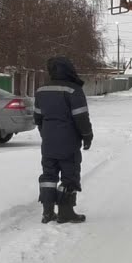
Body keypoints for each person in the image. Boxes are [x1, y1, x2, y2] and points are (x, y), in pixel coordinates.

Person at [34, 56, 94, 223]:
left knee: (48, 175)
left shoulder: (41, 90)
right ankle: (65, 212)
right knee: (70, 175)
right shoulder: (73, 90)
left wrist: (45, 133)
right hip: (68, 141)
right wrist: (87, 135)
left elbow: (37, 117)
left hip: (48, 141)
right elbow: (81, 117)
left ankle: (47, 212)